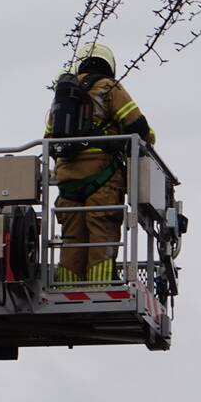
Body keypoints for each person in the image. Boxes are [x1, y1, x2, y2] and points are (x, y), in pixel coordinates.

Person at [44, 42, 155, 285]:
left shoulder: (62, 96)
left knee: (72, 242)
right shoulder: (109, 87)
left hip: (67, 183)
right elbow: (138, 128)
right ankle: (99, 289)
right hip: (102, 179)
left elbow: (49, 142)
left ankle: (68, 290)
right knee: (101, 237)